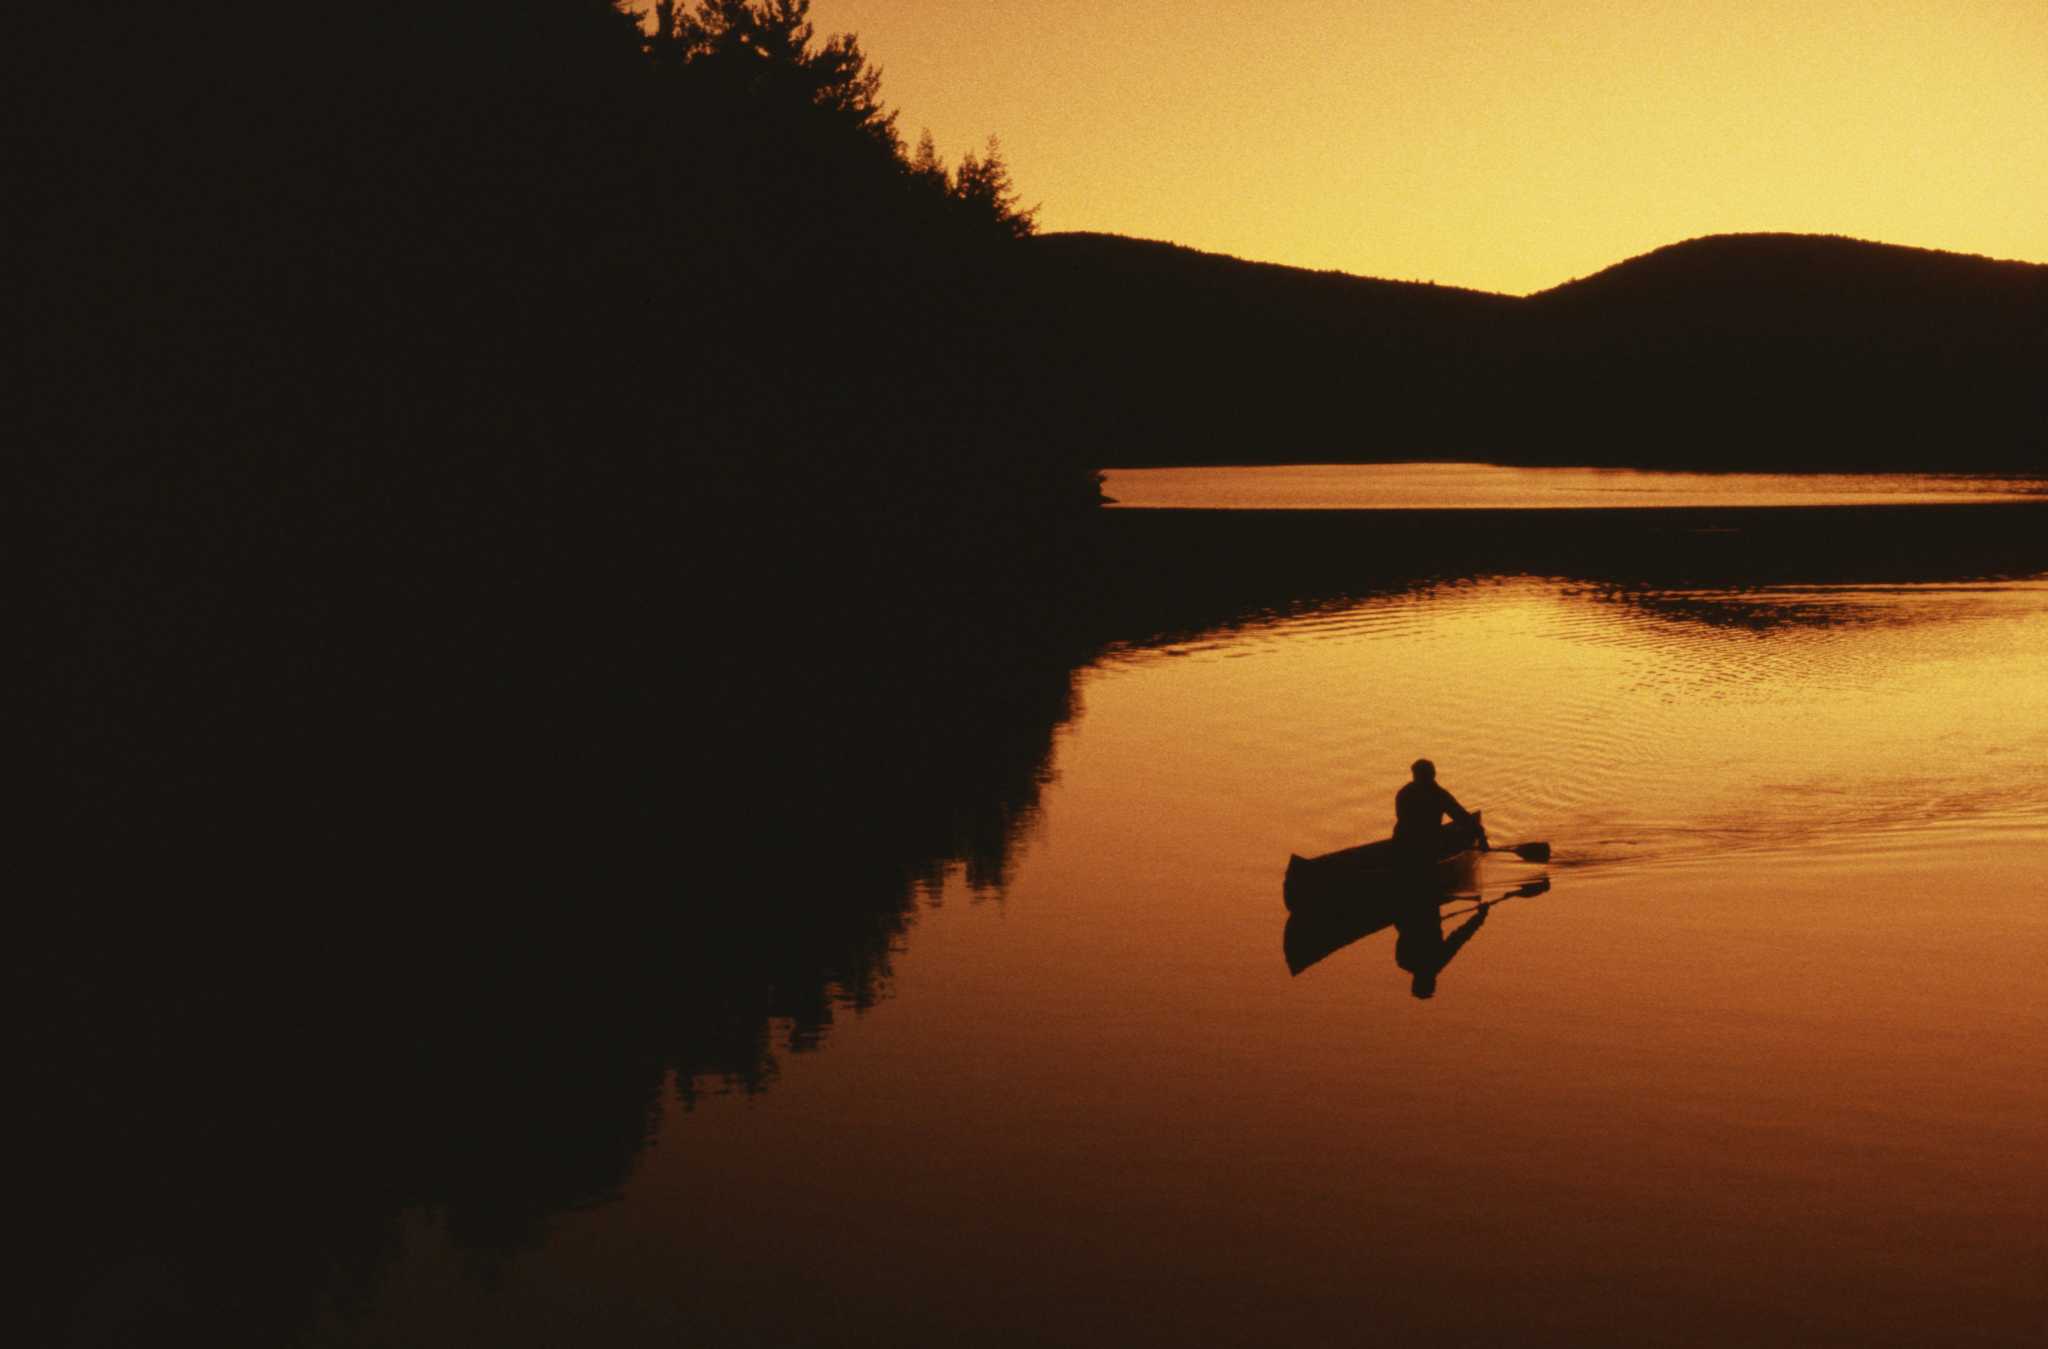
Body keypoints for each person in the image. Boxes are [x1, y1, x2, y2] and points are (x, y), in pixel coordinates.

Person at [1393, 758, 1480, 857]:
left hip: (1403, 841)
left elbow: (1403, 819)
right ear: (1433, 774)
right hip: (1429, 843)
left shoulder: (1404, 793)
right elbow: (1461, 816)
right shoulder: (1439, 795)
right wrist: (1480, 835)